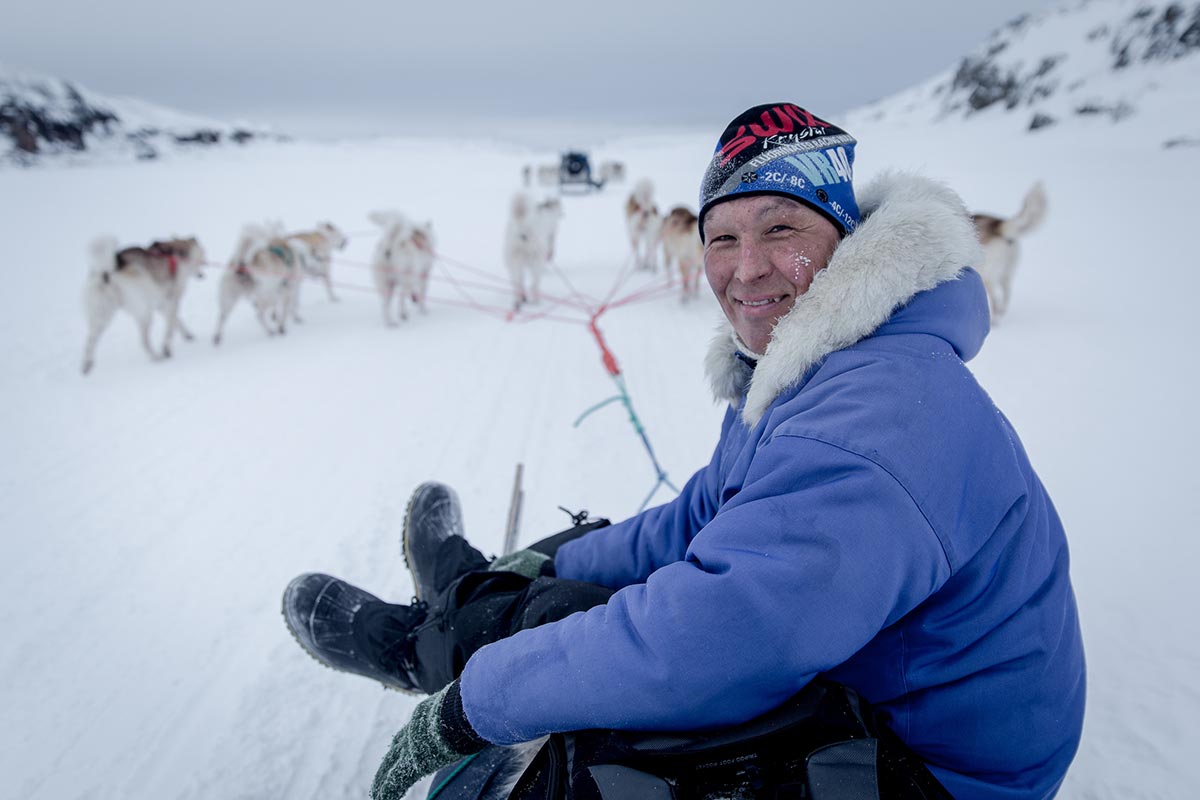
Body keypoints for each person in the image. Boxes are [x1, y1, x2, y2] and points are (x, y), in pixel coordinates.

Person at [284, 103, 1085, 800]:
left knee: (591, 683)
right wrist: (547, 559)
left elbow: (712, 642)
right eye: (723, 236)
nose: (746, 269)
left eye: (782, 228)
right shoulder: (812, 360)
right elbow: (697, 517)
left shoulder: (874, 418)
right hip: (880, 684)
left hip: (939, 772)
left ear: (846, 242)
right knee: (583, 576)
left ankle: (422, 649)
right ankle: (467, 589)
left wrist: (471, 707)